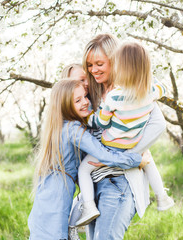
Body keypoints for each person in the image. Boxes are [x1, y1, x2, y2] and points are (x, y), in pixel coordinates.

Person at [27, 79, 148, 239]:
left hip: (45, 201)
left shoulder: (58, 128)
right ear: (65, 105)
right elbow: (103, 154)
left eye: (85, 96)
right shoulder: (73, 129)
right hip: (55, 201)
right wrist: (135, 160)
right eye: (78, 100)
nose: (85, 102)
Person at [75, 33, 169, 239]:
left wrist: (122, 159)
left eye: (99, 63)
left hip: (120, 181)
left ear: (116, 60)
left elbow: (159, 125)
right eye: (90, 65)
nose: (94, 70)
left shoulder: (135, 91)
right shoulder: (93, 93)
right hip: (96, 180)